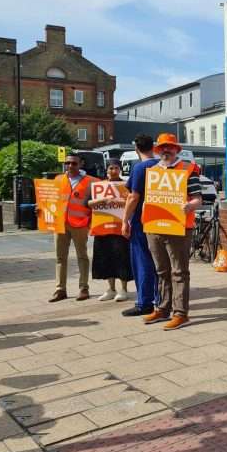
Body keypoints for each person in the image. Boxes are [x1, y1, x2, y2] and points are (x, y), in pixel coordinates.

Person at [141, 133, 202, 330]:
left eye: (169, 147)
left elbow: (198, 198)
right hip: (155, 226)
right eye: (162, 148)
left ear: (176, 149)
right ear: (158, 151)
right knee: (161, 270)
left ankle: (181, 313)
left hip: (180, 227)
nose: (166, 150)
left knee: (179, 272)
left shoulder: (188, 169)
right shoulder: (153, 171)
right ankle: (163, 308)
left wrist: (189, 206)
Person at [48, 152, 98, 303]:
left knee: (82, 257)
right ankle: (60, 289)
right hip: (60, 224)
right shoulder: (58, 179)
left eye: (74, 163)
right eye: (67, 163)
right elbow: (51, 200)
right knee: (59, 257)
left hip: (80, 224)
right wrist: (41, 209)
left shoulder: (91, 182)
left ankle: (84, 288)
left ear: (81, 164)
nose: (70, 166)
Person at [121, 134, 161, 317]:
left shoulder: (140, 168)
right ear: (153, 147)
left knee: (142, 261)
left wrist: (125, 221)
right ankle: (161, 299)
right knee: (160, 263)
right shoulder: (163, 166)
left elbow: (133, 197)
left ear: (137, 149)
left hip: (142, 221)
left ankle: (144, 302)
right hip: (162, 221)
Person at [91, 159, 133, 302]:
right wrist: (100, 201)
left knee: (121, 258)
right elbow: (88, 203)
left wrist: (117, 201)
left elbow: (133, 201)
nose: (113, 171)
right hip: (102, 227)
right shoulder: (99, 186)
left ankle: (123, 289)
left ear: (120, 170)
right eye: (110, 168)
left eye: (116, 168)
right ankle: (110, 289)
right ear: (106, 170)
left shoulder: (126, 185)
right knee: (105, 259)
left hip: (120, 228)